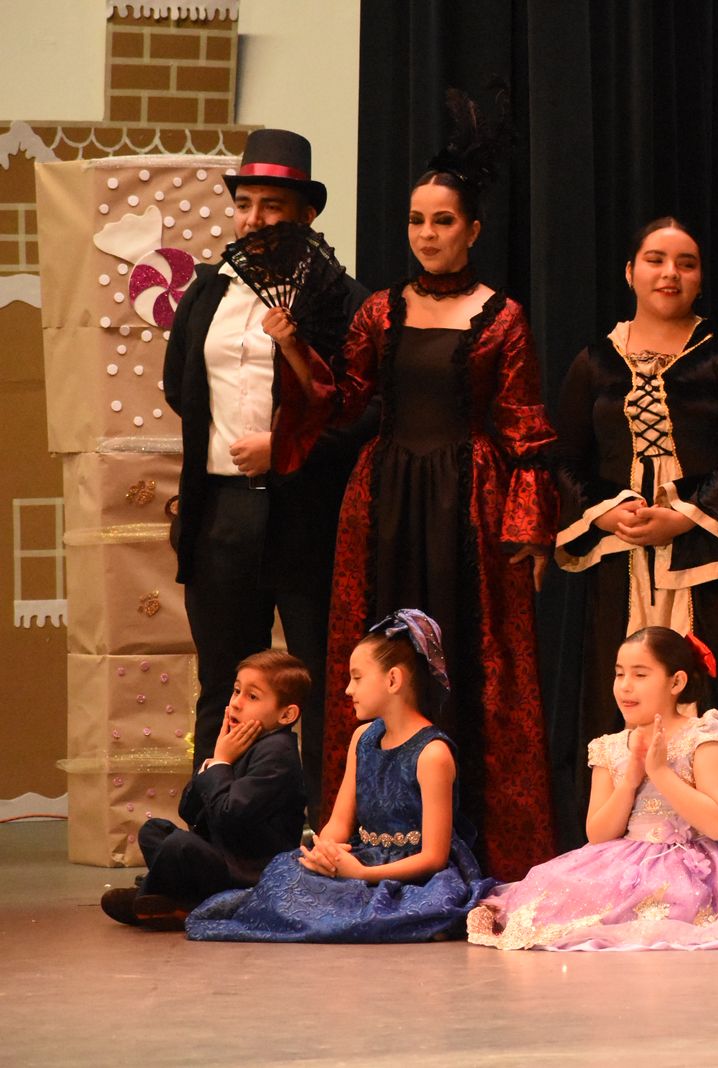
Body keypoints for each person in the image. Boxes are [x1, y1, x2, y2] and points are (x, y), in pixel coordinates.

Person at [269, 97, 558, 879]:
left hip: (468, 504)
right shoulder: (378, 311)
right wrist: (293, 348)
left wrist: (529, 531)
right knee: (384, 659)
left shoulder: (502, 318)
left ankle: (474, 847)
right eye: (416, 221)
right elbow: (340, 403)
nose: (427, 234)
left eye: (442, 221)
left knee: (469, 659)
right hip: (387, 502)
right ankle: (370, 840)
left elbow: (526, 430)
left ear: (473, 230)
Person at [163, 128, 374, 820]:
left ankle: (326, 830)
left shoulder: (342, 299)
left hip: (306, 511)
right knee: (223, 683)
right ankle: (213, 832)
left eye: (272, 206)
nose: (254, 220)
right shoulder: (207, 293)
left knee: (321, 681)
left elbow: (365, 411)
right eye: (244, 204)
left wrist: (286, 448)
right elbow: (180, 386)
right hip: (222, 511)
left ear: (306, 214)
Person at [551, 218, 718, 835]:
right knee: (618, 684)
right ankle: (616, 840)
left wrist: (683, 515)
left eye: (686, 263)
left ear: (699, 278)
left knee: (708, 684)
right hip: (619, 560)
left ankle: (715, 840)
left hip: (705, 556)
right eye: (655, 259)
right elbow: (564, 459)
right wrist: (603, 512)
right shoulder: (595, 361)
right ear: (630, 271)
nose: (670, 273)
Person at [466, 627, 718, 950]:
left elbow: (717, 823)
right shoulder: (610, 747)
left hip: (699, 862)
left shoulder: (703, 735)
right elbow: (599, 834)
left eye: (640, 675)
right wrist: (629, 781)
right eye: (620, 674)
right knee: (556, 889)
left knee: (671, 901)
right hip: (629, 861)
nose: (625, 687)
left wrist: (660, 772)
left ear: (676, 681)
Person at [186, 611, 495, 942]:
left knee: (362, 910)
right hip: (362, 859)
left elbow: (434, 857)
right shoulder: (362, 738)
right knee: (283, 871)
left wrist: (363, 872)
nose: (348, 690)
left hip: (413, 875)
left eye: (357, 678)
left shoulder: (432, 754)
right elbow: (339, 823)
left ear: (393, 680)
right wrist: (325, 852)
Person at [99, 650, 309, 929]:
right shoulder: (239, 743)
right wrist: (215, 761)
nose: (236, 703)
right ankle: (178, 902)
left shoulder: (278, 753)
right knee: (154, 831)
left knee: (179, 846)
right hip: (223, 852)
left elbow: (229, 814)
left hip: (250, 871)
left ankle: (150, 899)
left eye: (252, 697)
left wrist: (222, 762)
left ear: (286, 714)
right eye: (236, 691)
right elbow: (189, 811)